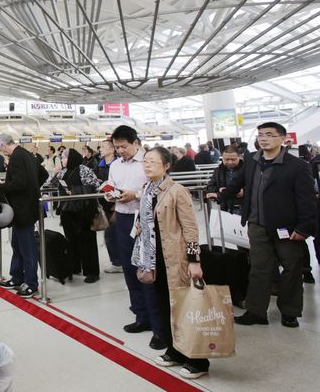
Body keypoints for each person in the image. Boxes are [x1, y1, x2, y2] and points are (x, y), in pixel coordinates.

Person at [227, 122, 317, 329]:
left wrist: (304, 227)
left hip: (287, 227)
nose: (263, 138)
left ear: (283, 139)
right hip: (257, 225)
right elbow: (237, 182)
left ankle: (290, 312)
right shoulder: (251, 161)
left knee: (292, 268)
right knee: (259, 269)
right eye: (260, 135)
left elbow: (307, 200)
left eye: (269, 134)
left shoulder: (298, 166)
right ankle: (256, 311)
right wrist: (221, 193)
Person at [134, 147, 208, 379]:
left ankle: (198, 359)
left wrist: (194, 260)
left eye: (153, 162)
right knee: (165, 305)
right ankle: (175, 350)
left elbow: (191, 229)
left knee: (184, 307)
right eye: (145, 161)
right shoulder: (147, 189)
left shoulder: (177, 191)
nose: (147, 166)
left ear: (166, 166)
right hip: (154, 260)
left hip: (175, 259)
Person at [107, 125, 164, 350]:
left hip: (145, 220)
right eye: (117, 147)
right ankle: (141, 316)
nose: (120, 151)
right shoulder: (115, 165)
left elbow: (158, 187)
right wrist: (110, 193)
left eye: (124, 146)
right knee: (130, 270)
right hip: (123, 219)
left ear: (136, 143)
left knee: (148, 270)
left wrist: (136, 194)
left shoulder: (148, 162)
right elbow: (112, 185)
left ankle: (159, 325)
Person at [0, 134, 45, 298]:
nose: (1, 151)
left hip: (23, 209)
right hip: (27, 207)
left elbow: (19, 184)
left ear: (3, 145)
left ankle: (31, 284)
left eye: (0, 147)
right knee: (17, 244)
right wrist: (34, 188)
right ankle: (16, 277)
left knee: (26, 247)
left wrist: (0, 187)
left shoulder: (16, 157)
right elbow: (43, 174)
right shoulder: (27, 154)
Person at [46, 148, 102, 283]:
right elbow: (51, 184)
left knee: (87, 241)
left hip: (83, 211)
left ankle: (92, 271)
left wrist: (75, 191)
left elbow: (93, 186)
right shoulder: (63, 172)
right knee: (71, 240)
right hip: (67, 211)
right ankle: (75, 266)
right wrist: (55, 173)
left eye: (64, 158)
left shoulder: (83, 169)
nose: (62, 160)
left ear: (71, 158)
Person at [94, 140, 121, 274]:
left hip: (116, 205)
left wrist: (116, 204)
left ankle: (119, 262)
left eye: (104, 147)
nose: (100, 149)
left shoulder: (118, 165)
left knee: (114, 234)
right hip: (104, 204)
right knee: (109, 235)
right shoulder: (99, 165)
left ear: (112, 150)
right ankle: (116, 261)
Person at [205, 146, 245, 213]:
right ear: (222, 158)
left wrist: (244, 191)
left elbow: (255, 186)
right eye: (226, 159)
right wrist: (219, 189)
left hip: (245, 208)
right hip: (226, 208)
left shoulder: (247, 169)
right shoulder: (218, 171)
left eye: (233, 159)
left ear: (239, 157)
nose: (229, 162)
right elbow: (209, 187)